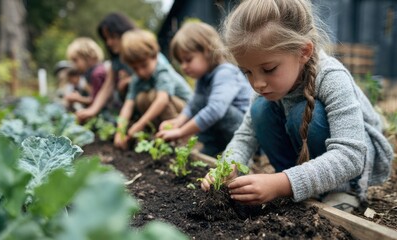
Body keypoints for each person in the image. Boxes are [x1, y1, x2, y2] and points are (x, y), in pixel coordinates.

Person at [200, 0, 393, 208]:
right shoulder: (266, 87)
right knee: (260, 110)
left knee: (302, 113)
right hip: (303, 167)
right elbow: (245, 136)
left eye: (269, 69)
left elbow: (351, 156)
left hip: (355, 163)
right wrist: (226, 167)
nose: (257, 84)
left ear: (304, 52)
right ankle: (297, 186)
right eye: (247, 71)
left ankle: (344, 191)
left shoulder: (331, 76)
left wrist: (281, 182)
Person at [156, 22, 253, 157]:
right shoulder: (203, 78)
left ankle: (242, 153)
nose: (183, 66)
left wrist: (181, 132)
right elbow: (192, 105)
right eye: (181, 62)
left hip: (244, 131)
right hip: (224, 131)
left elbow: (216, 110)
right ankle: (215, 146)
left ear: (208, 51)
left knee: (212, 108)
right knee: (200, 103)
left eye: (188, 60)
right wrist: (177, 122)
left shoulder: (225, 72)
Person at [114, 29, 193, 149]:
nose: (140, 72)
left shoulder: (162, 71)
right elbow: (128, 105)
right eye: (135, 68)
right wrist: (120, 131)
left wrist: (139, 124)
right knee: (140, 99)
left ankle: (179, 141)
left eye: (144, 65)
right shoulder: (137, 79)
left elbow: (162, 100)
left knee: (154, 97)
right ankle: (159, 137)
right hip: (172, 109)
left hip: (187, 112)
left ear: (154, 56)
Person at [75, 12, 136, 122]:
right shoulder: (117, 60)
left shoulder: (140, 54)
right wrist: (92, 110)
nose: (109, 43)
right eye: (106, 39)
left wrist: (129, 81)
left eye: (112, 37)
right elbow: (108, 86)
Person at [66, 37, 106, 112]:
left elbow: (97, 101)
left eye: (75, 60)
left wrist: (78, 99)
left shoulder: (97, 74)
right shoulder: (88, 74)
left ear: (88, 57)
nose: (74, 65)